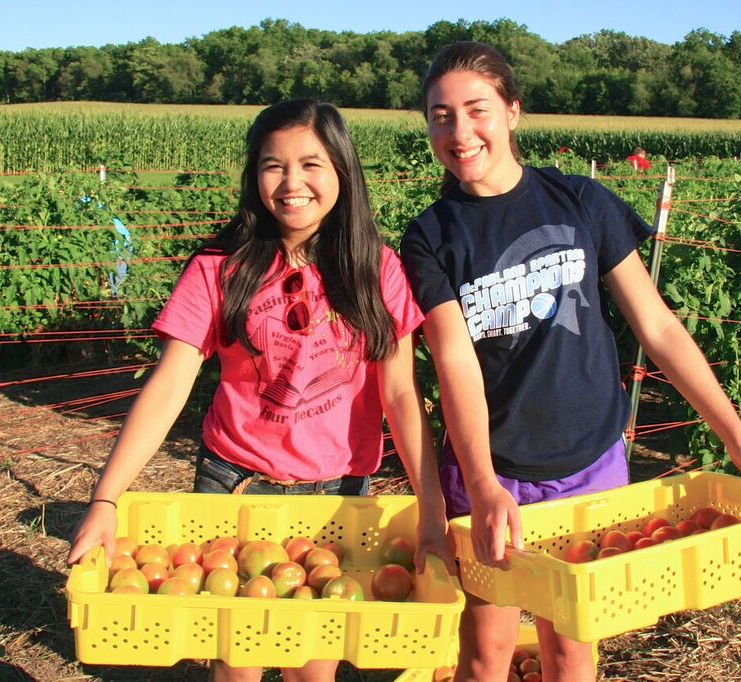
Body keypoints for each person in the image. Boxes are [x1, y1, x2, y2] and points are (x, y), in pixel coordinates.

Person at [399, 41, 741, 682]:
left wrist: (736, 442)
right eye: (441, 116)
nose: (460, 131)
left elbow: (658, 326)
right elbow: (454, 362)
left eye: (476, 110)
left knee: (571, 646)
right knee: (485, 652)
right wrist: (487, 482)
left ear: (512, 112)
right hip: (492, 476)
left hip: (589, 467)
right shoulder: (432, 235)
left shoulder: (579, 201)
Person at [67, 98, 452, 682]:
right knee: (237, 665)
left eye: (311, 164)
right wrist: (105, 500)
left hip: (337, 497)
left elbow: (401, 396)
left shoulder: (377, 269)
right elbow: (169, 385)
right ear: (253, 176)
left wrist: (432, 508)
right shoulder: (218, 268)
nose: (292, 182)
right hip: (234, 484)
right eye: (273, 165)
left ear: (343, 173)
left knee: (311, 668)